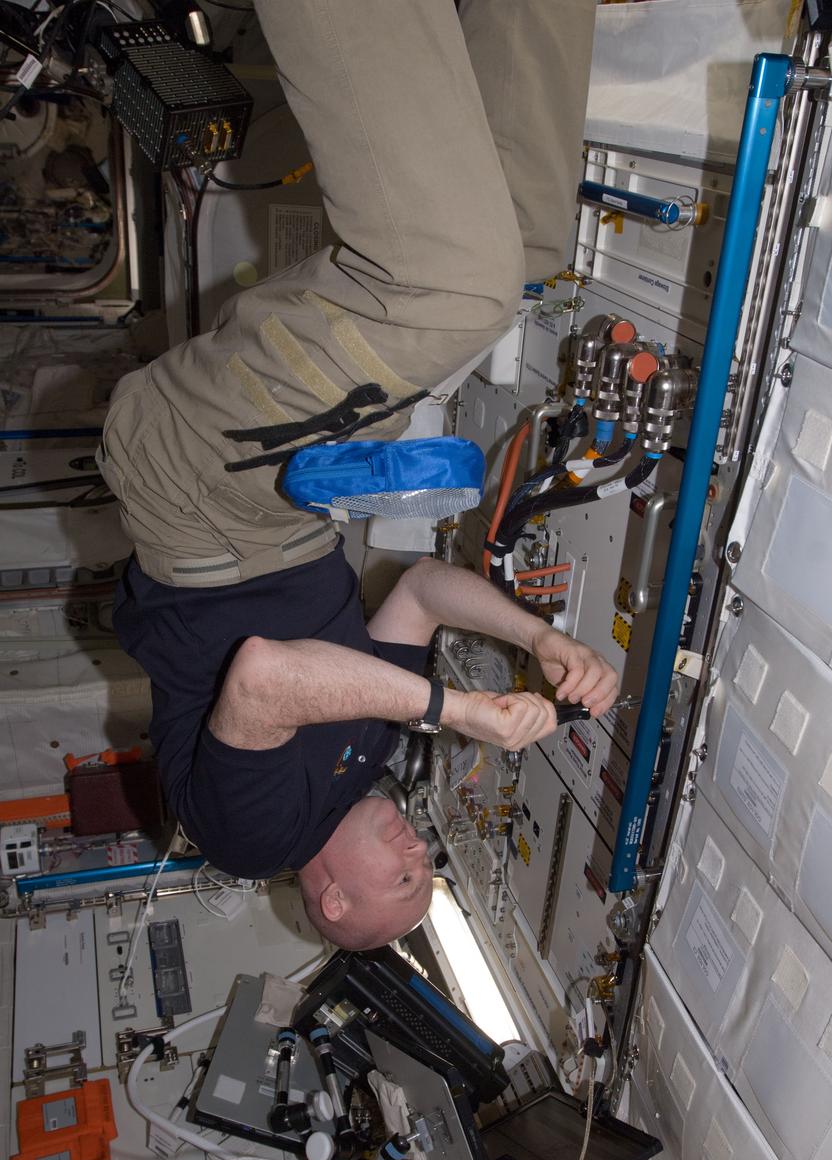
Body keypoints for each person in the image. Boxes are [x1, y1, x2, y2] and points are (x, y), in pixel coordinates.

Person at [98, 0, 615, 949]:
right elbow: (418, 589)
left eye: (406, 880)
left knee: (456, 289)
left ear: (334, 901)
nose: (421, 852)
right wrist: (537, 638)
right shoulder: (366, 752)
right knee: (528, 256)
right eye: (431, 868)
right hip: (289, 495)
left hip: (198, 497)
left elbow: (263, 680)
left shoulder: (252, 838)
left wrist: (453, 710)